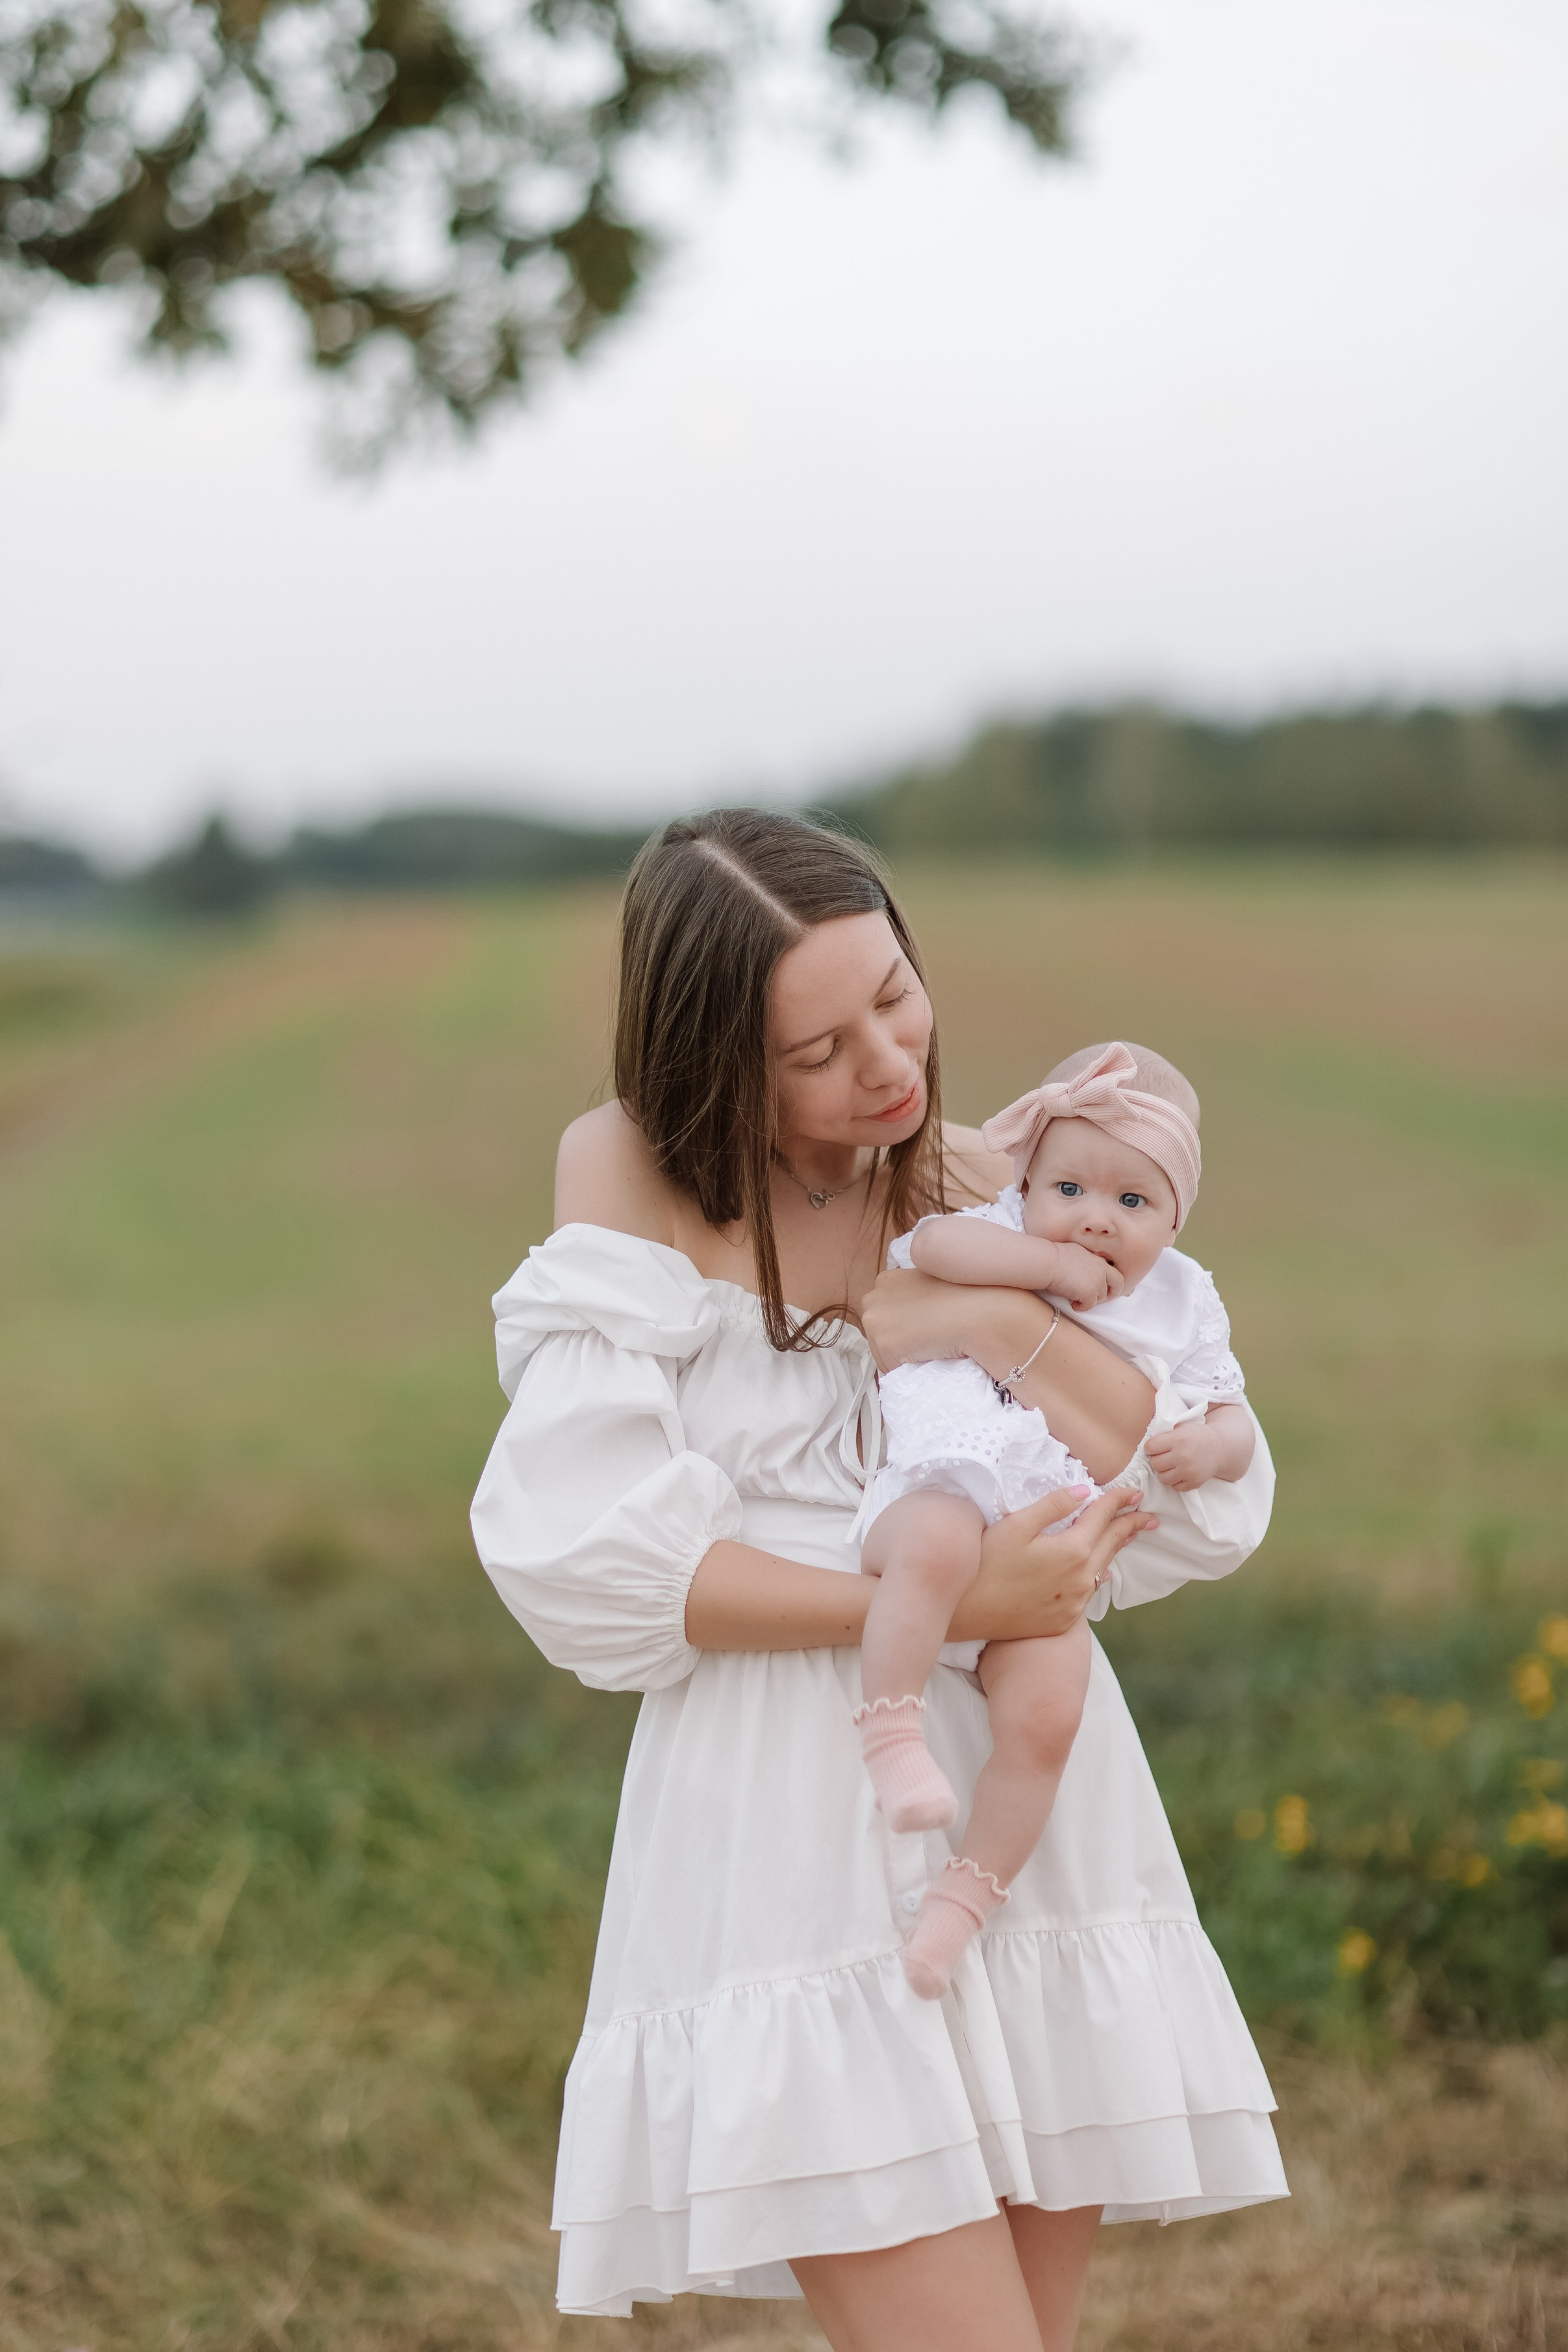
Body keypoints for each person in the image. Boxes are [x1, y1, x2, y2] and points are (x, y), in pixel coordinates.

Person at [470, 809, 1287, 2352]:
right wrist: (939, 1607)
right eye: (815, 1049)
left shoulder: (982, 1183)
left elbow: (1190, 1484)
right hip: (795, 1826)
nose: (888, 1064)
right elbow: (587, 1551)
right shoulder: (630, 1170)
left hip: (1035, 1823)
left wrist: (990, 1323)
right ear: (714, 1058)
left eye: (895, 996)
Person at [854, 1038, 1259, 2000]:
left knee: (1048, 1717)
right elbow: (933, 1250)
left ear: (1176, 1220)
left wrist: (1211, 1448)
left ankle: (965, 1902)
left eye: (1134, 1201)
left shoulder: (1184, 1301)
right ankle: (893, 1735)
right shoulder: (998, 1231)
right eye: (1069, 1188)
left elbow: (1234, 1419)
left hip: (1051, 1547)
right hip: (949, 1481)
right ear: (1027, 1183)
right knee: (934, 1550)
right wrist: (1042, 1264)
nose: (1095, 1219)